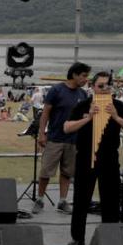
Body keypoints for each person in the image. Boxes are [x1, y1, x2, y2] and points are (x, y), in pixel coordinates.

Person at [63, 72, 123, 245]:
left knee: (111, 201)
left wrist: (116, 117)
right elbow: (66, 128)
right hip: (85, 159)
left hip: (109, 159)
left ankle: (110, 238)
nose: (104, 90)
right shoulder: (82, 105)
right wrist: (88, 118)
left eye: (107, 86)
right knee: (81, 200)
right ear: (92, 87)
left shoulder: (118, 106)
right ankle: (77, 237)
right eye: (101, 86)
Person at [35, 62, 91, 214]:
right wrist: (42, 133)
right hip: (55, 138)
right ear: (74, 75)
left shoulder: (83, 94)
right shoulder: (56, 90)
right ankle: (39, 199)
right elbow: (45, 113)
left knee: (67, 172)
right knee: (46, 172)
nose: (86, 79)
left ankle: (62, 201)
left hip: (74, 141)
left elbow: (83, 118)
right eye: (84, 76)